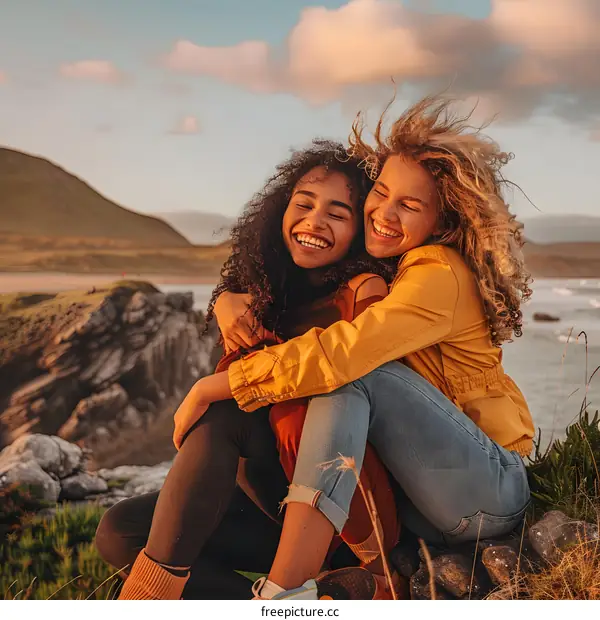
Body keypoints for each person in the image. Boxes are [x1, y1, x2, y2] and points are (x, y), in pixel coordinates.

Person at [176, 95, 536, 600]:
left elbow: (343, 352)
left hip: (487, 492)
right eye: (381, 192)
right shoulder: (394, 272)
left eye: (409, 205)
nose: (382, 213)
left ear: (444, 221)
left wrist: (216, 386)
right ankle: (302, 584)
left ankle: (283, 593)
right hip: (427, 501)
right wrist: (227, 299)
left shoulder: (438, 273)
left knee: (350, 373)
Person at [96, 141, 400, 600]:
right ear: (280, 211)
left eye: (338, 214)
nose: (315, 221)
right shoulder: (262, 288)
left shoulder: (364, 293)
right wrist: (226, 301)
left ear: (360, 231)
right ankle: (297, 606)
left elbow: (340, 381)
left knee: (228, 410)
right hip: (262, 499)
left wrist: (207, 388)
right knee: (120, 531)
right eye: (304, 204)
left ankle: (145, 602)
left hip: (329, 507)